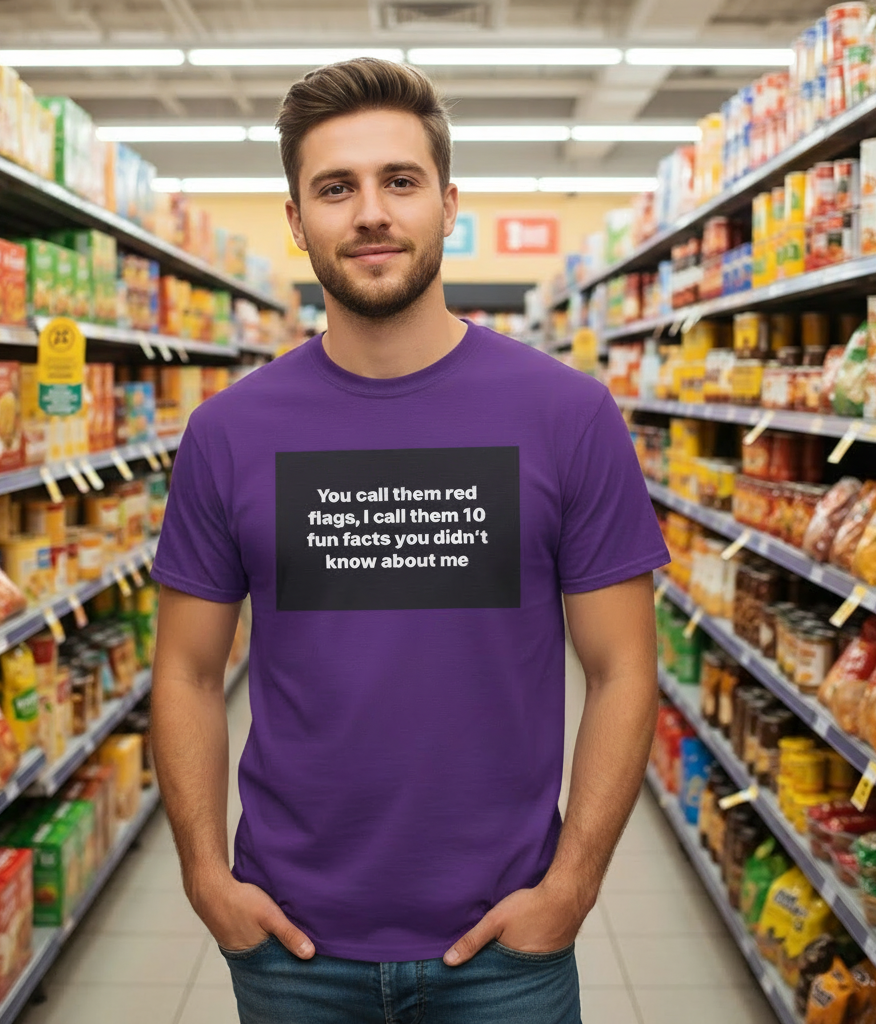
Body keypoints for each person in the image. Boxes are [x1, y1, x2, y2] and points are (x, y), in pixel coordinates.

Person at [150, 56, 669, 1024]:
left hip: (504, 947)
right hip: (289, 941)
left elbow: (621, 669)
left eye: (400, 180)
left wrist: (572, 884)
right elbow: (183, 671)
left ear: (446, 202)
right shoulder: (229, 430)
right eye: (335, 188)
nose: (371, 212)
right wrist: (204, 874)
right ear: (298, 220)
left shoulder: (565, 412)